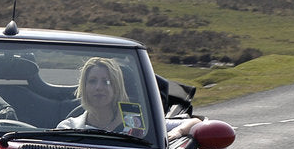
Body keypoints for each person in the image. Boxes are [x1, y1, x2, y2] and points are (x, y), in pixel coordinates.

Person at [57, 57, 201, 140]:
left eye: (107, 82)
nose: (99, 87)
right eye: (92, 81)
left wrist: (178, 132)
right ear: (84, 87)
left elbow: (195, 122)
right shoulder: (68, 128)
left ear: (116, 88)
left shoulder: (138, 123)